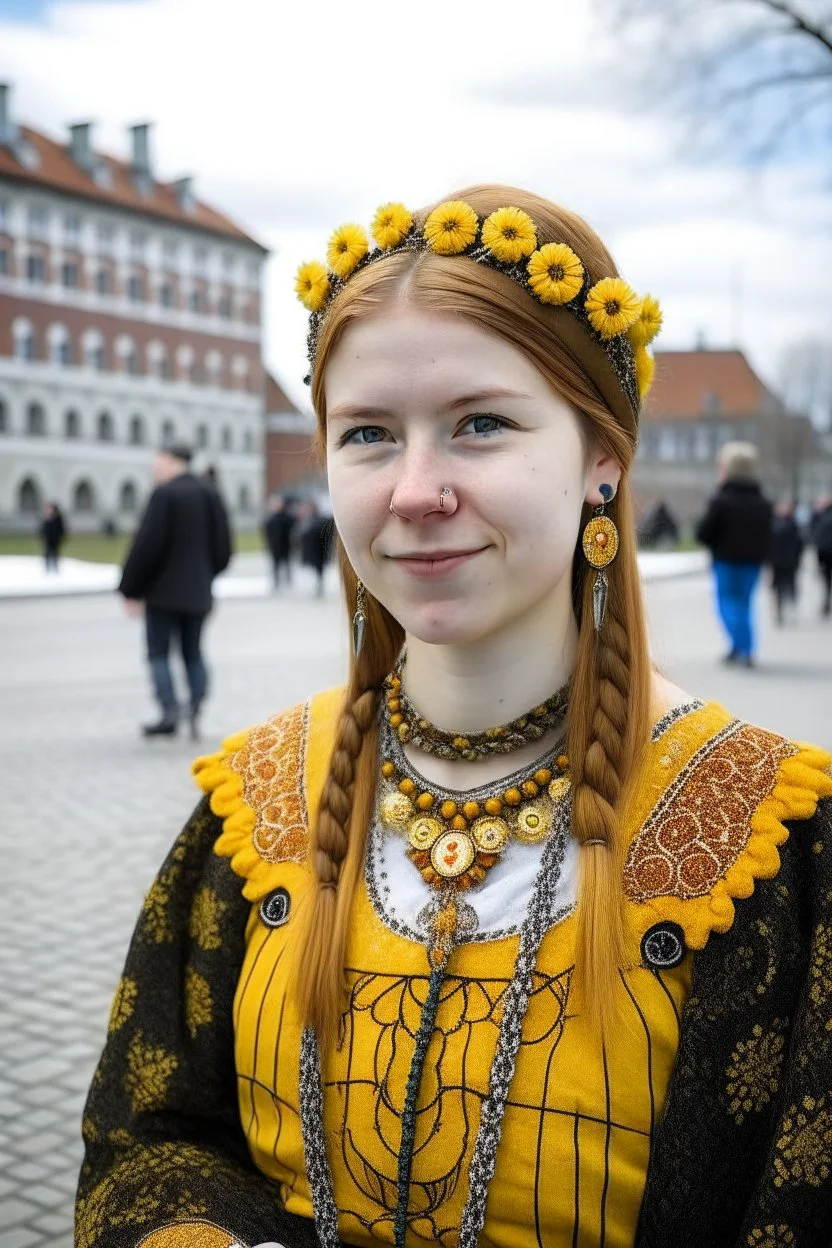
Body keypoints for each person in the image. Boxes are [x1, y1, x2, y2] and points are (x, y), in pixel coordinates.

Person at [77, 189, 832, 1247]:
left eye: (481, 425)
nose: (414, 490)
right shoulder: (252, 808)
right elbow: (146, 1137)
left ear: (600, 460)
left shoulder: (771, 838)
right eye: (370, 436)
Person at [119, 444, 232, 739]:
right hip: (197, 592)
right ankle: (195, 706)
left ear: (169, 460)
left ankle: (169, 712)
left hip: (161, 594)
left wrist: (130, 588)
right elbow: (223, 547)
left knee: (158, 653)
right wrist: (206, 574)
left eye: (157, 460)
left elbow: (146, 546)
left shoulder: (165, 494)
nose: (154, 467)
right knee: (192, 652)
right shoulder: (209, 493)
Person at [695, 441, 772, 666]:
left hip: (726, 561)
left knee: (727, 604)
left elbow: (705, 532)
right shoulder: (763, 502)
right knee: (744, 604)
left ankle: (743, 646)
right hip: (752, 563)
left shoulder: (722, 500)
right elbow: (768, 534)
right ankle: (741, 648)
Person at [768, 500, 803, 625]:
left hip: (790, 560)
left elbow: (799, 544)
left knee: (790, 585)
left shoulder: (793, 524)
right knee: (777, 587)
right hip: (777, 561)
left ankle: (791, 608)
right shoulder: (772, 523)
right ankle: (779, 611)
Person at [297, 497, 332, 597]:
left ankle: (319, 584)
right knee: (313, 569)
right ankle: (316, 584)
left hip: (318, 550)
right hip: (310, 550)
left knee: (318, 568)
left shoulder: (319, 520)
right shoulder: (306, 520)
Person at [263, 493, 296, 588]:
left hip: (285, 544)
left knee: (287, 563)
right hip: (275, 546)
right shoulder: (270, 519)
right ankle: (276, 581)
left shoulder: (286, 517)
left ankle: (288, 580)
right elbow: (266, 532)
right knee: (275, 565)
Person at [811, 493, 832, 618]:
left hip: (825, 553)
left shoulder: (822, 517)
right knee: (826, 581)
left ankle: (826, 603)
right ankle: (826, 603)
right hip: (824, 553)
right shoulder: (819, 516)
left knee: (826, 581)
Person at [40, 501, 66, 572]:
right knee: (47, 554)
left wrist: (61, 538)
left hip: (55, 540)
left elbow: (61, 529)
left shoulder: (58, 518)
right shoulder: (46, 518)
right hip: (48, 540)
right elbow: (43, 529)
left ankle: (55, 568)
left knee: (55, 554)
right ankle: (47, 569)